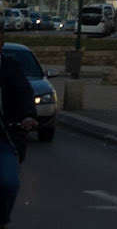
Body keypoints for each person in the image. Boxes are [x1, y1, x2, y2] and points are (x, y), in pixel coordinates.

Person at [0, 44, 39, 225]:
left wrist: (28, 115)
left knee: (8, 183)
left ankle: (1, 218)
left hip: (5, 137)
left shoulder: (11, 67)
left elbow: (24, 93)